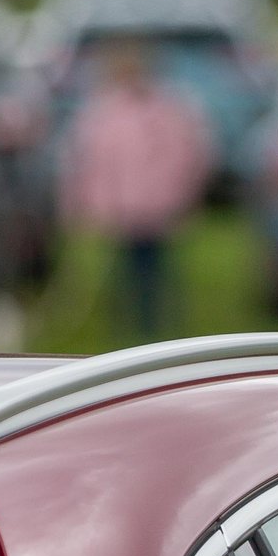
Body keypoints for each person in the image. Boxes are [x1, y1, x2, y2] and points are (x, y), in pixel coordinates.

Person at [59, 40, 211, 341]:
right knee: (126, 268)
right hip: (123, 207)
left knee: (152, 267)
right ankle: (132, 323)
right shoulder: (105, 110)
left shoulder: (168, 108)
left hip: (156, 205)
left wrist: (176, 195)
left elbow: (187, 155)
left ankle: (152, 324)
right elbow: (89, 161)